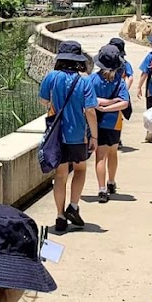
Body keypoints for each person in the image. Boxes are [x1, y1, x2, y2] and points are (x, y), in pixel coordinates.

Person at [39, 40, 99, 234]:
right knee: (80, 169)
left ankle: (59, 216)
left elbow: (43, 101)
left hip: (57, 135)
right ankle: (73, 206)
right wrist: (94, 137)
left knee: (60, 175)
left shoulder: (51, 77)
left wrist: (53, 106)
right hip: (78, 135)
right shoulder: (84, 81)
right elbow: (90, 110)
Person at [91, 44, 130, 201]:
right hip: (114, 123)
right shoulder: (119, 82)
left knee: (100, 156)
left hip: (96, 123)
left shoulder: (92, 79)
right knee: (113, 152)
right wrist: (110, 105)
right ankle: (111, 182)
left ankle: (101, 190)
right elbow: (125, 103)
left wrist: (102, 106)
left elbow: (90, 101)